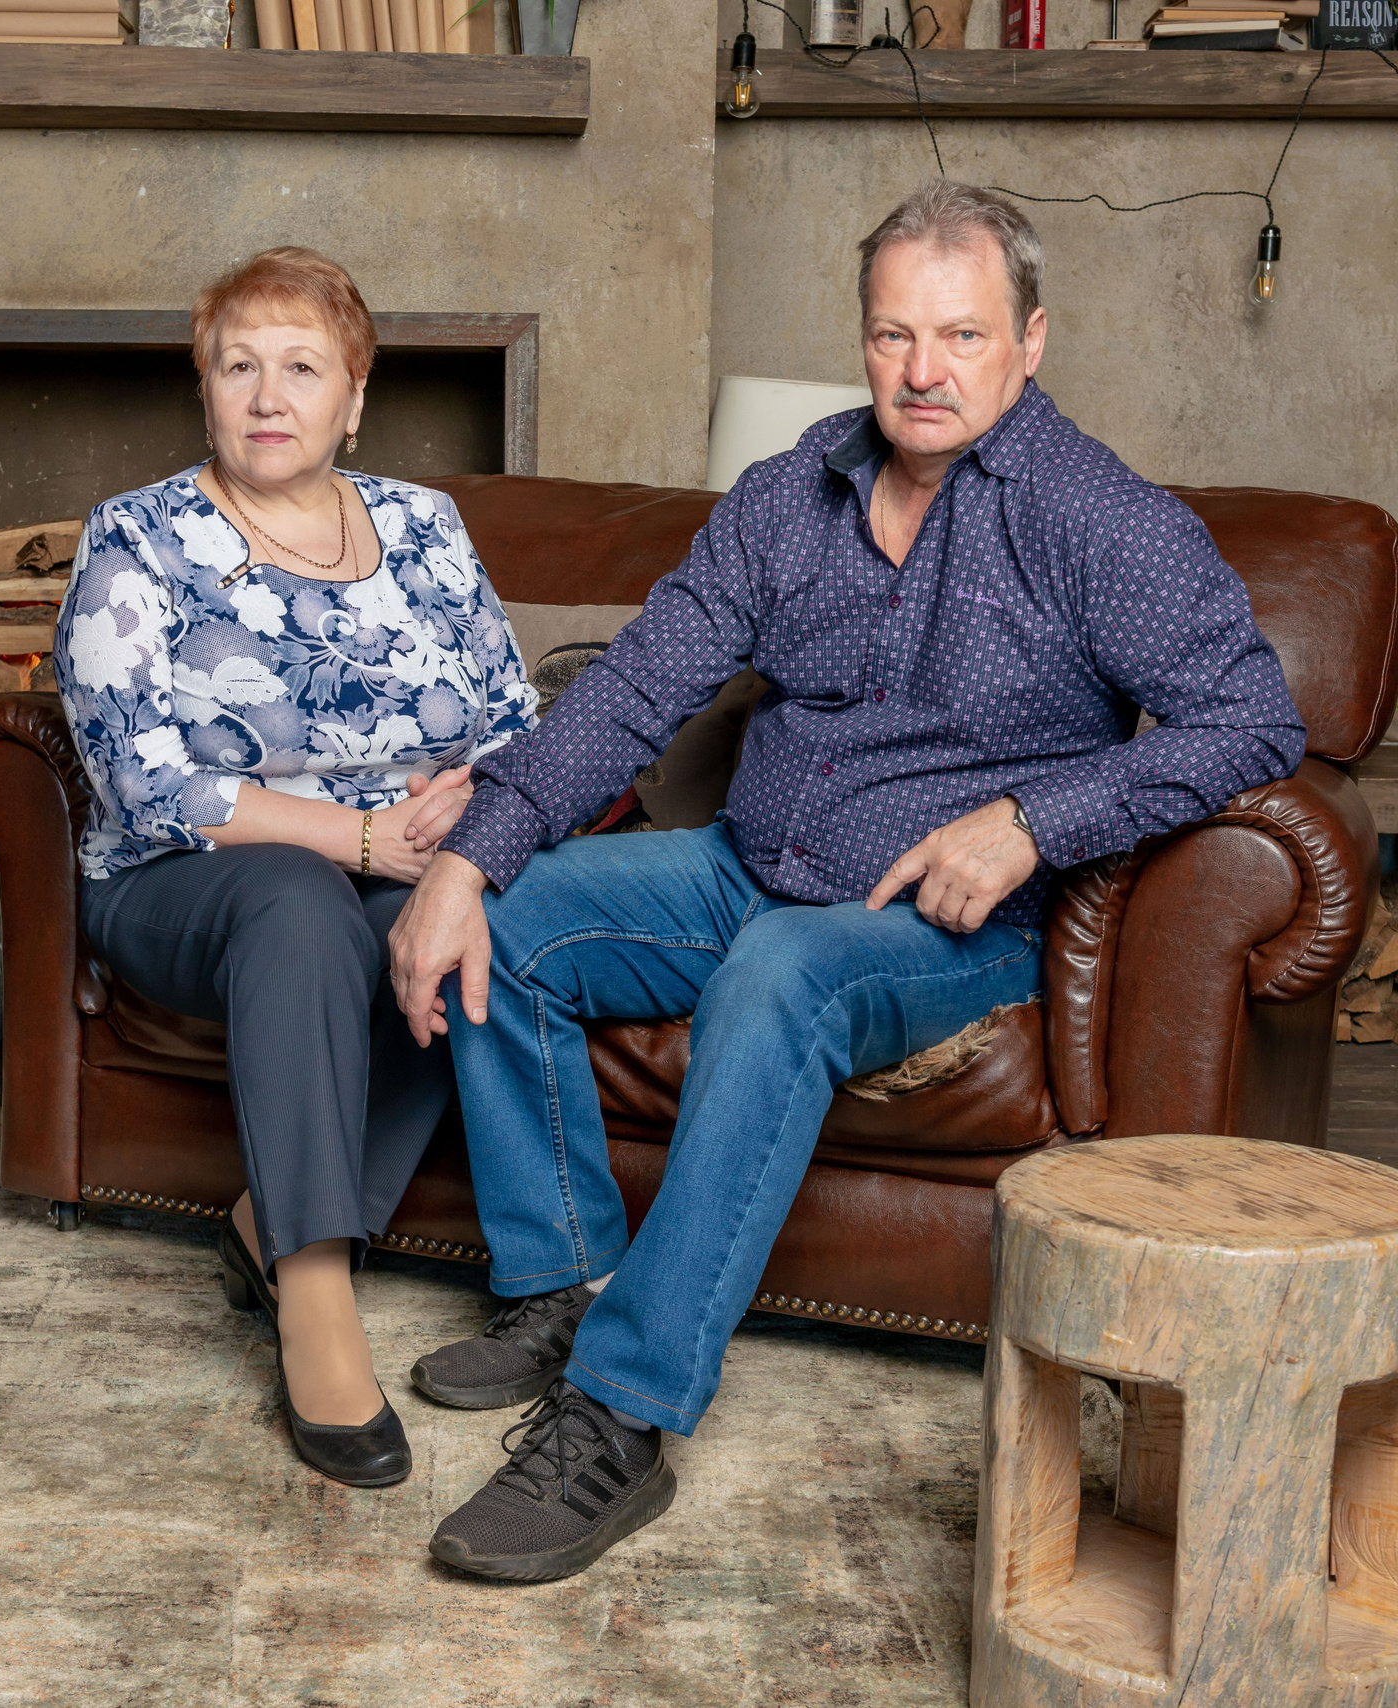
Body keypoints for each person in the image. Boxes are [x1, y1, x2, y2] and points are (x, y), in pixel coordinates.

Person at [386, 182, 1308, 1580]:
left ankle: (619, 1419)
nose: (922, 372)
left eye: (961, 336)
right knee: (509, 918)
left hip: (936, 925)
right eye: (893, 335)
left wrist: (1032, 819)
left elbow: (1255, 720)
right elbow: (637, 690)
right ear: (863, 340)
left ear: (1032, 340)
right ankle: (563, 1281)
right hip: (743, 865)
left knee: (781, 972)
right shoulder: (789, 498)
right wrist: (466, 855)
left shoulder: (1099, 523)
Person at [55, 246, 536, 1488]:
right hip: (188, 878)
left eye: (302, 368)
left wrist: (457, 837)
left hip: (399, 856)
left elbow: (514, 717)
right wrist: (357, 836)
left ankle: (268, 1221)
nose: (269, 397)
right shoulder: (140, 538)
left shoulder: (427, 527)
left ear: (354, 396)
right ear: (205, 390)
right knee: (302, 902)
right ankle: (316, 1296)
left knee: (480, 912)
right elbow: (141, 779)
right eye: (239, 366)